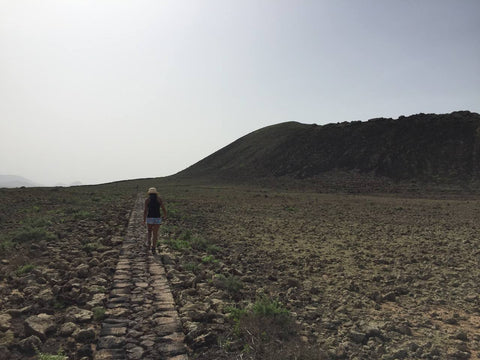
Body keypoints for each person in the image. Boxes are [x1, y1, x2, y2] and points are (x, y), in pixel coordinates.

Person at [143, 187, 167, 254]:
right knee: (155, 233)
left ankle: (149, 244)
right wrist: (165, 215)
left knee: (149, 231)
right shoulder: (159, 199)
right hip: (157, 218)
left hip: (150, 218)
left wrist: (144, 220)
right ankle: (154, 247)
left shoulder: (147, 200)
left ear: (149, 193)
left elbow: (145, 211)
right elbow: (163, 208)